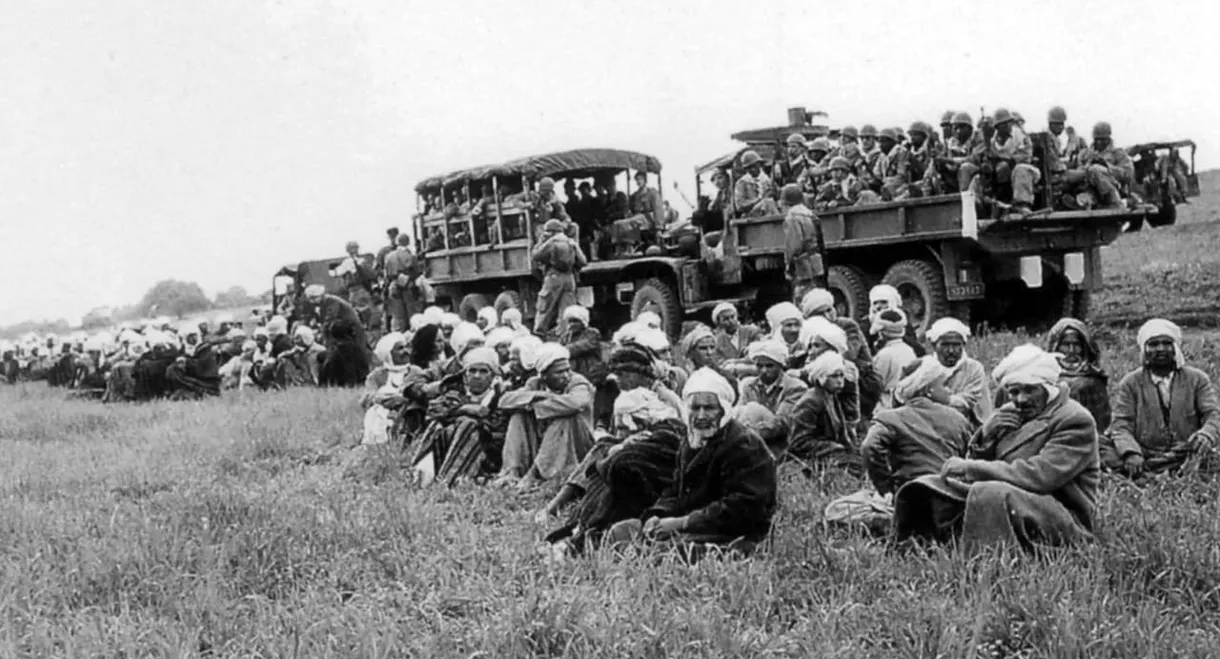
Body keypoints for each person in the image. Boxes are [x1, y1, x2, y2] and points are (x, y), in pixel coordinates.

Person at [893, 344, 1100, 552]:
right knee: (932, 484)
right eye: (1014, 392)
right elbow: (983, 459)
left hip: (1061, 515)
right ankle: (921, 541)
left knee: (991, 492)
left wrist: (971, 468)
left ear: (1048, 386)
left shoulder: (1073, 419)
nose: (1021, 399)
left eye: (1029, 390)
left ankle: (982, 559)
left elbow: (1039, 476)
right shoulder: (1012, 414)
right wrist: (987, 433)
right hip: (1016, 501)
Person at [604, 367, 778, 560]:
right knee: (622, 531)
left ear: (723, 409)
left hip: (732, 533)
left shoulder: (744, 445)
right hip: (693, 526)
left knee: (664, 553)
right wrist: (657, 516)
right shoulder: (691, 441)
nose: (701, 415)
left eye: (709, 408)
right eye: (695, 408)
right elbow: (676, 490)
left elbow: (742, 509)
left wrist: (683, 522)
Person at [541, 347, 685, 555]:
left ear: (640, 374)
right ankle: (569, 511)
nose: (619, 380)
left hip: (655, 472)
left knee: (608, 459)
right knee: (605, 449)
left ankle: (578, 524)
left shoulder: (665, 399)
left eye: (624, 375)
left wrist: (622, 445)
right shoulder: (624, 396)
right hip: (632, 452)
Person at [1103, 319, 1220, 476]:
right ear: (1144, 349)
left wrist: (1206, 434)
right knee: (1099, 446)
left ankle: (1152, 475)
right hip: (1145, 454)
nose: (1160, 349)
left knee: (1209, 459)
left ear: (1176, 348)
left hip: (1186, 452)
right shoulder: (1130, 383)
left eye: (1166, 343)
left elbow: (1213, 414)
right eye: (1153, 344)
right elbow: (1121, 424)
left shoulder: (1197, 379)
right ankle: (1145, 472)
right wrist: (1131, 453)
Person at [497, 344, 595, 490]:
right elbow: (504, 401)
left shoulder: (578, 382)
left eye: (567, 370)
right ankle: (512, 471)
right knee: (519, 417)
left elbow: (576, 402)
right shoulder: (535, 383)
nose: (566, 376)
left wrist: (536, 406)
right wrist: (538, 395)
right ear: (543, 375)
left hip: (576, 443)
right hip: (542, 440)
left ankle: (535, 475)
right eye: (559, 372)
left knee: (565, 417)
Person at [409, 347, 511, 486]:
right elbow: (434, 412)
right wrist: (464, 409)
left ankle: (448, 481)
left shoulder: (500, 396)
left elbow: (500, 432)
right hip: (448, 451)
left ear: (492, 376)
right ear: (465, 375)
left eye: (483, 371)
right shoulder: (456, 392)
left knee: (467, 424)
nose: (477, 376)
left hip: (486, 454)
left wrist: (476, 426)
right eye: (472, 371)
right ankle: (421, 475)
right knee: (437, 426)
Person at [997, 318, 1110, 430]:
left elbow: (1100, 422)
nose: (1071, 350)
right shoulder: (1039, 371)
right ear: (1055, 345)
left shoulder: (1092, 380)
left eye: (1076, 345)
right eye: (1066, 344)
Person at [737, 339, 808, 459]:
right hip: (751, 439)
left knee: (753, 409)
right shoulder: (749, 385)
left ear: (780, 365)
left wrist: (751, 432)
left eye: (769, 366)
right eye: (759, 366)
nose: (764, 370)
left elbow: (783, 423)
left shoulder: (795, 387)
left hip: (781, 443)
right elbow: (739, 413)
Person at [788, 351, 858, 473]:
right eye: (834, 376)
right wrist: (834, 447)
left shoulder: (831, 396)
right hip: (811, 459)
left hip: (832, 453)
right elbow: (799, 442)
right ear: (821, 377)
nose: (840, 381)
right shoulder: (811, 401)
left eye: (842, 376)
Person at [925, 317, 992, 426]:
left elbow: (968, 402)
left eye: (956, 345)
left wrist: (945, 399)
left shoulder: (973, 368)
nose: (951, 351)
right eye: (945, 345)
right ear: (934, 345)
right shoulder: (925, 369)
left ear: (963, 345)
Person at [531, 220, 587, 337]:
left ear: (550, 231)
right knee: (566, 311)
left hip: (553, 277)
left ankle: (539, 334)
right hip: (569, 279)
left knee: (544, 307)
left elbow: (536, 255)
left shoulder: (552, 242)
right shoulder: (571, 242)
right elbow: (583, 261)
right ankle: (565, 336)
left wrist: (540, 241)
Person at [360, 332, 413, 446]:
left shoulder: (415, 371)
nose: (405, 352)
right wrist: (387, 399)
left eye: (406, 347)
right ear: (389, 354)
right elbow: (368, 397)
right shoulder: (377, 375)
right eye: (400, 348)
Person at [1067, 122, 1135, 209]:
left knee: (1096, 169)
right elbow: (1079, 170)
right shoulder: (1085, 154)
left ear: (1108, 139)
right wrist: (1088, 165)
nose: (1099, 142)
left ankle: (1114, 202)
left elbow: (1128, 173)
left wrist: (1107, 166)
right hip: (1089, 186)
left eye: (1102, 139)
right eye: (1097, 139)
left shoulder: (1118, 153)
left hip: (1113, 187)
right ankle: (1083, 201)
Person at [561, 305, 610, 426]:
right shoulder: (566, 337)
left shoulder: (592, 333)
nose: (572, 324)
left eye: (575, 321)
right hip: (574, 375)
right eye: (570, 321)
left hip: (591, 374)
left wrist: (562, 350)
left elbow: (581, 347)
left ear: (583, 321)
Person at [782, 183, 824, 302]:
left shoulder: (792, 217)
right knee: (817, 297)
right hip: (816, 260)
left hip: (803, 265)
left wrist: (788, 266)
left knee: (803, 298)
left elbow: (793, 246)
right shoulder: (810, 214)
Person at [872, 309, 919, 410]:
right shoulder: (909, 350)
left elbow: (876, 384)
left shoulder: (884, 355)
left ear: (882, 332)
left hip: (887, 405)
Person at [165, 324, 222, 399]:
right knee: (172, 369)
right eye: (190, 336)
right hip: (193, 378)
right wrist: (179, 364)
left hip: (207, 382)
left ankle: (202, 392)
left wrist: (186, 362)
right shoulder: (184, 349)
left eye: (194, 335)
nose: (193, 338)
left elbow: (200, 366)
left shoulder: (205, 348)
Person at [383, 234, 424, 332]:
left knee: (397, 316)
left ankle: (397, 337)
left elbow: (387, 273)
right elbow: (416, 272)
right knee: (413, 315)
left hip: (393, 287)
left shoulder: (389, 256)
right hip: (409, 287)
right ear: (408, 242)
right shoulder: (411, 256)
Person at [733, 151, 779, 217]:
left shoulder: (767, 180)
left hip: (770, 213)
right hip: (752, 217)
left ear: (759, 164)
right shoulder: (742, 183)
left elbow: (779, 197)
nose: (752, 169)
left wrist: (775, 192)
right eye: (749, 168)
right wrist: (759, 199)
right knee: (768, 202)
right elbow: (740, 206)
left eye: (754, 166)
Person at [874, 127, 910, 200]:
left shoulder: (901, 152)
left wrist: (887, 181)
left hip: (901, 187)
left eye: (883, 141)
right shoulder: (882, 155)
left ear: (892, 142)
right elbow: (877, 173)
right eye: (879, 142)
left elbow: (901, 175)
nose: (880, 144)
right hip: (886, 186)